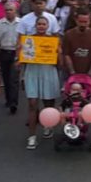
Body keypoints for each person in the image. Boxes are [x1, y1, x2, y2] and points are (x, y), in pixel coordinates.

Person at [19, 16, 60, 150]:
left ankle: (48, 125)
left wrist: (58, 53)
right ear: (35, 26)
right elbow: (21, 62)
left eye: (44, 24)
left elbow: (60, 63)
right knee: (32, 104)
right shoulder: (28, 40)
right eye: (39, 24)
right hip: (32, 71)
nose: (41, 26)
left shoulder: (53, 40)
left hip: (48, 71)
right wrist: (20, 56)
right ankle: (32, 136)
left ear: (48, 26)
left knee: (48, 103)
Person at [0, 2, 21, 114]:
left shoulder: (21, 23)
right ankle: (8, 99)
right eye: (7, 10)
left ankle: (14, 102)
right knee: (5, 77)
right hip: (3, 51)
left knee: (14, 78)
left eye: (11, 10)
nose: (9, 12)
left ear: (15, 10)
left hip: (16, 52)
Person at [62, 8, 91, 78]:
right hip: (71, 73)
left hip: (89, 74)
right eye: (81, 21)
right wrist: (72, 72)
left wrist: (90, 73)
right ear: (76, 20)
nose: (83, 24)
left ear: (89, 21)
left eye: (85, 22)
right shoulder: (68, 35)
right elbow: (66, 54)